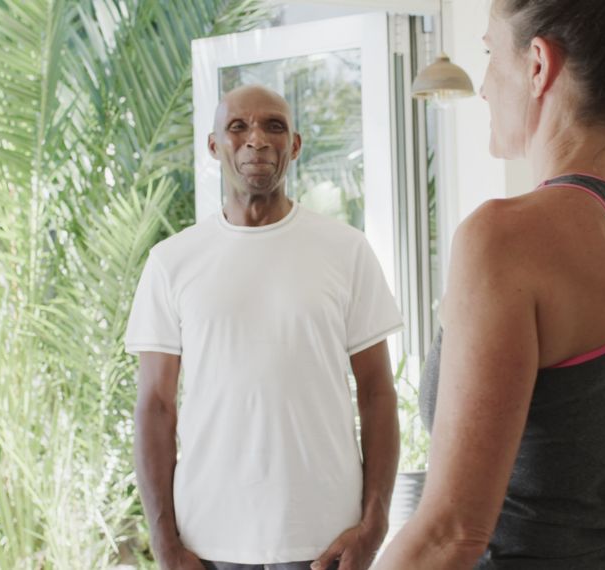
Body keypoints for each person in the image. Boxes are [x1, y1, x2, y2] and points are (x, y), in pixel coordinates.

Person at [378, 1, 605, 569]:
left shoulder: (502, 239)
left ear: (538, 65)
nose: (485, 87)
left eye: (491, 53)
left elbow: (451, 533)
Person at [125, 85, 403, 570]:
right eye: (237, 127)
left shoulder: (346, 250)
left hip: (325, 543)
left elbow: (377, 392)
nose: (257, 139)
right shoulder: (172, 262)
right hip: (207, 545)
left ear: (294, 145)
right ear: (214, 146)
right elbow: (155, 406)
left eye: (274, 125)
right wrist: (165, 545)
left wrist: (373, 528)